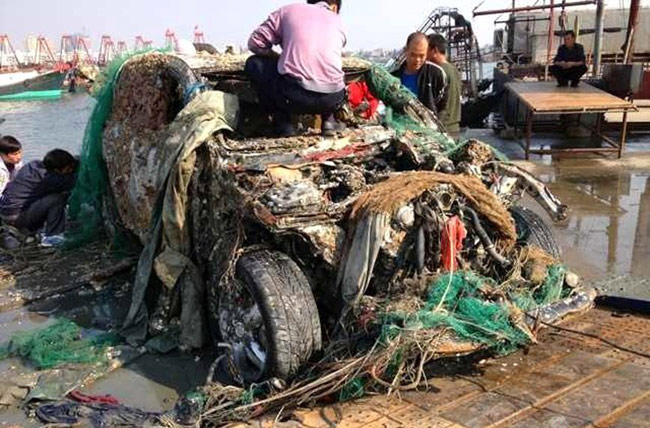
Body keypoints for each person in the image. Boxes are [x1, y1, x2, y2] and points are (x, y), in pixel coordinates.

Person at [245, 0, 347, 137]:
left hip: (294, 95)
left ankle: (283, 125)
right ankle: (329, 121)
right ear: (334, 6)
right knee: (330, 70)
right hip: (333, 98)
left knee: (254, 63)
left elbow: (255, 43)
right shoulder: (338, 21)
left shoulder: (287, 11)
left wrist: (277, 57)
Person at [0, 149, 78, 247]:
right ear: (56, 170)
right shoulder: (48, 179)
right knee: (56, 199)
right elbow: (74, 181)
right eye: (68, 168)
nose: (70, 171)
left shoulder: (33, 165)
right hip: (17, 217)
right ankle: (52, 237)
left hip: (5, 213)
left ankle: (32, 231)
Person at [392, 32, 447, 115]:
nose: (417, 60)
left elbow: (443, 105)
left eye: (421, 56)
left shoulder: (436, 74)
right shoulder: (393, 75)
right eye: (413, 55)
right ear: (406, 51)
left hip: (427, 122)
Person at [427, 33, 462, 138]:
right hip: (454, 128)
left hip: (443, 129)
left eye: (425, 50)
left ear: (434, 50)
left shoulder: (438, 71)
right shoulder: (453, 69)